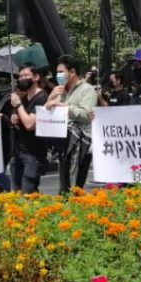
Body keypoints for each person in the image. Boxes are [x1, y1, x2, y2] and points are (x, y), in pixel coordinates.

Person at [48, 54, 98, 193]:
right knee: (64, 186)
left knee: (76, 187)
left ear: (72, 72)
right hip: (63, 145)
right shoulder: (59, 90)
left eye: (60, 72)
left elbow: (86, 115)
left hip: (80, 145)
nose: (58, 75)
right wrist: (51, 98)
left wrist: (63, 107)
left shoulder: (87, 90)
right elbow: (47, 112)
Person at [9, 64, 49, 194]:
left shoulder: (42, 98)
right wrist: (16, 116)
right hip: (19, 151)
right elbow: (23, 117)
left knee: (28, 192)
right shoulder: (25, 98)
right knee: (16, 192)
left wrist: (19, 105)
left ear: (36, 77)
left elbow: (30, 124)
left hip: (34, 153)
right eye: (20, 76)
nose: (22, 79)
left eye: (26, 75)